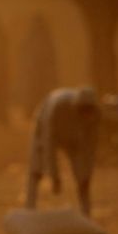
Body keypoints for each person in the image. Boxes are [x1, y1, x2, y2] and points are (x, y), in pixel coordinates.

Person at [25, 87, 101, 215]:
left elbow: (90, 148)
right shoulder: (58, 109)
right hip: (45, 129)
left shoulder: (95, 115)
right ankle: (29, 209)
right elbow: (48, 144)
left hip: (74, 139)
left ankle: (86, 214)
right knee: (36, 170)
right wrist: (55, 176)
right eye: (84, 111)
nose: (86, 116)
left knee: (83, 180)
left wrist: (87, 173)